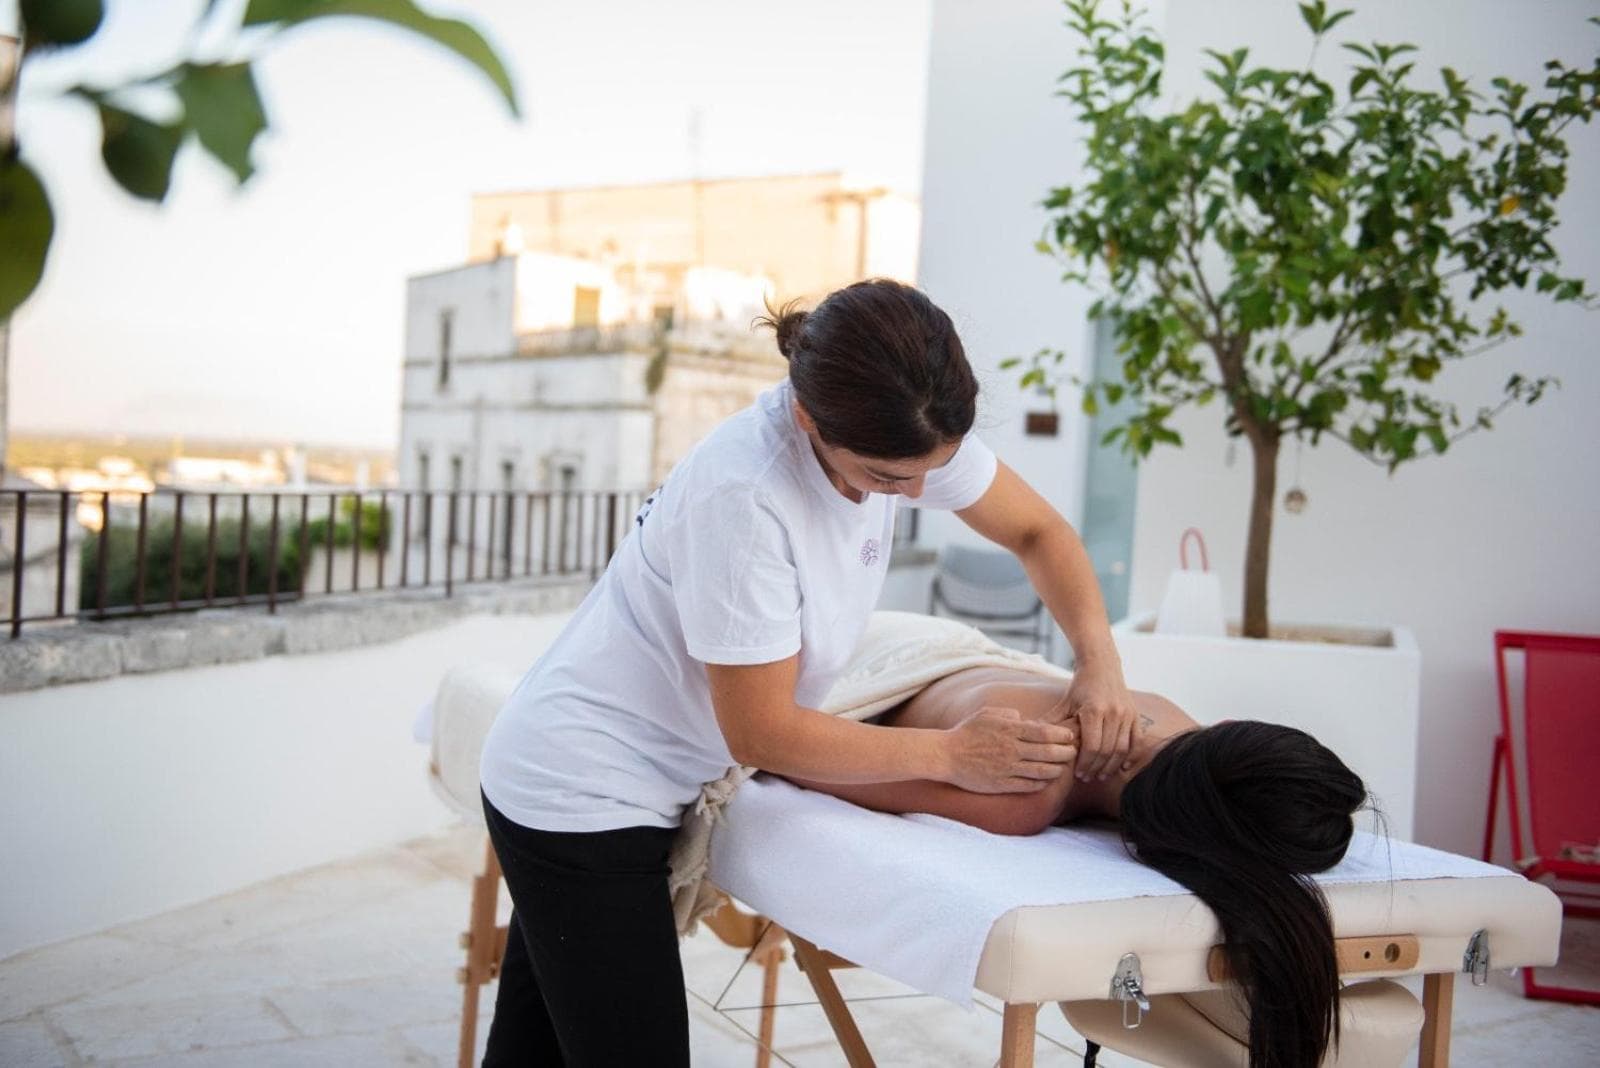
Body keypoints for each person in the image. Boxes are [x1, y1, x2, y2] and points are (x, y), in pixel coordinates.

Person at [476, 279, 1139, 1065]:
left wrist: (1099, 662)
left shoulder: (906, 431)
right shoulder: (746, 496)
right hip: (582, 789)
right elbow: (762, 732)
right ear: (806, 417)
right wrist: (953, 754)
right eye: (887, 479)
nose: (916, 493)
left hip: (605, 772)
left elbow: (1039, 532)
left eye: (932, 470)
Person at [787, 659, 1369, 1068]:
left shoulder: (1175, 725)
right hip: (885, 662)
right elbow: (801, 763)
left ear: (1224, 731)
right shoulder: (1027, 786)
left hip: (958, 658)